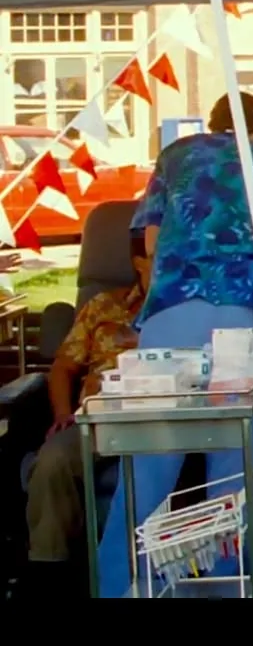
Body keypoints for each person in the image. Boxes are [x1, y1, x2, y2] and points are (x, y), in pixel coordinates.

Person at [97, 92, 253, 599]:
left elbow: (151, 242)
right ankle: (231, 584)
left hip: (172, 316)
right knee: (239, 473)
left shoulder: (176, 156)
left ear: (214, 122)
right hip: (242, 324)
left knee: (149, 465)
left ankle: (120, 585)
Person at [23, 230, 147, 594]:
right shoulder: (103, 306)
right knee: (52, 461)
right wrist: (64, 412)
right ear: (139, 263)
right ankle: (48, 578)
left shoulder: (185, 311)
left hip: (158, 422)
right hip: (96, 420)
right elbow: (63, 366)